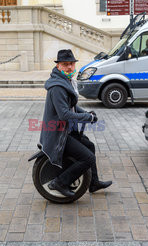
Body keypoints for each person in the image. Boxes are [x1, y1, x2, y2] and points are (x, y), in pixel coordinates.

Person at [39, 49, 112, 197]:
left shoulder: (66, 81)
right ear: (58, 66)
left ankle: (93, 183)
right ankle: (59, 182)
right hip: (58, 134)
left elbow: (71, 106)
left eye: (71, 64)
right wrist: (87, 118)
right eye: (65, 64)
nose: (69, 67)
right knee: (88, 157)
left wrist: (86, 114)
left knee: (90, 146)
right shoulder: (58, 87)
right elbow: (64, 114)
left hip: (65, 130)